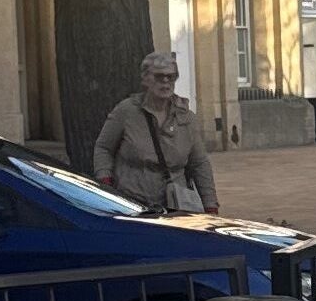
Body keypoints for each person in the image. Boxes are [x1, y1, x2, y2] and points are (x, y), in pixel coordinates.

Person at [92, 51, 220, 213]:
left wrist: (210, 205)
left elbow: (200, 164)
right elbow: (104, 148)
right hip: (132, 204)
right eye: (159, 77)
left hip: (175, 207)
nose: (165, 82)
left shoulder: (186, 118)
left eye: (171, 77)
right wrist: (105, 180)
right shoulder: (126, 111)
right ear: (146, 79)